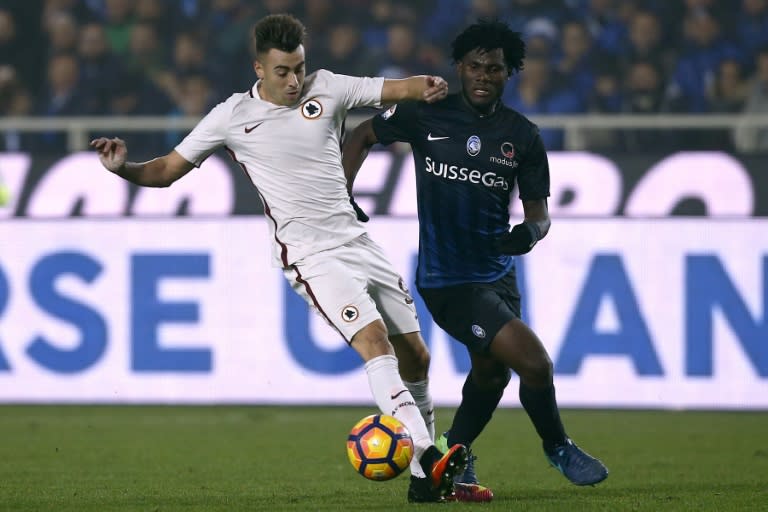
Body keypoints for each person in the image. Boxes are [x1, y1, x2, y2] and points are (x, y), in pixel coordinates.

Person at [90, 13, 466, 503]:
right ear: (259, 68)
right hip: (310, 254)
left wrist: (429, 86)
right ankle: (424, 451)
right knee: (375, 341)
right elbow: (164, 172)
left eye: (299, 69)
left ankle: (424, 477)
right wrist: (125, 170)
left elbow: (396, 87)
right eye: (283, 72)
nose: (294, 81)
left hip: (358, 243)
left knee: (417, 355)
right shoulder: (231, 116)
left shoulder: (328, 87)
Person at [342, 19, 609, 503]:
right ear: (460, 68)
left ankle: (442, 466)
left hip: (498, 275)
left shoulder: (522, 136)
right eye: (475, 67)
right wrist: (342, 193)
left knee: (491, 375)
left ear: (509, 74)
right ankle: (558, 446)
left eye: (495, 69)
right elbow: (362, 134)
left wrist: (528, 234)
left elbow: (539, 216)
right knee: (536, 364)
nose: (484, 75)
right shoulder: (427, 114)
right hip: (448, 281)